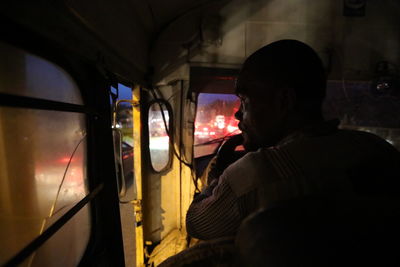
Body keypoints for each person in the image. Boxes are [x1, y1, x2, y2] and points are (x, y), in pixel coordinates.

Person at [186, 39, 400, 241]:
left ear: (284, 101)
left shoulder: (256, 174)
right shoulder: (374, 147)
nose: (238, 115)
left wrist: (218, 176)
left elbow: (197, 224)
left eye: (245, 101)